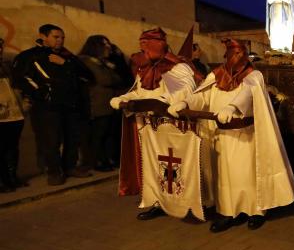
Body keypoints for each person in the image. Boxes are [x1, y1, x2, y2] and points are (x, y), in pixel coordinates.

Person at [169, 40, 294, 232]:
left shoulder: (254, 75)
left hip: (245, 137)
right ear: (226, 56)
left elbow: (246, 93)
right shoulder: (216, 75)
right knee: (225, 177)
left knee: (247, 174)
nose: (236, 58)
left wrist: (232, 106)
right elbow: (202, 96)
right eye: (232, 54)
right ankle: (227, 212)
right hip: (221, 136)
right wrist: (185, 103)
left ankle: (255, 210)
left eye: (240, 54)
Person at [110, 28, 197, 218]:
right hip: (149, 128)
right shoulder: (145, 68)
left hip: (172, 127)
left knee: (178, 167)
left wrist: (162, 101)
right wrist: (123, 97)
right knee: (154, 166)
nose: (143, 50)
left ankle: (185, 203)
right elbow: (139, 91)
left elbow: (186, 91)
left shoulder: (177, 67)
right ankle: (159, 201)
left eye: (146, 45)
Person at [11, 24, 94, 185]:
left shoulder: (67, 56)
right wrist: (43, 93)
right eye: (56, 37)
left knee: (72, 138)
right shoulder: (29, 56)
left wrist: (65, 63)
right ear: (43, 36)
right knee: (51, 140)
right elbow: (21, 79)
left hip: (71, 104)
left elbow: (87, 75)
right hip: (47, 107)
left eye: (62, 37)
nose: (60, 40)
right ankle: (54, 172)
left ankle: (70, 167)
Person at [78, 35, 123, 172]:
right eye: (105, 45)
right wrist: (110, 73)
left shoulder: (101, 62)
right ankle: (97, 161)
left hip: (107, 105)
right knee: (98, 134)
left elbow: (118, 78)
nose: (108, 48)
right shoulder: (86, 62)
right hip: (97, 105)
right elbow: (106, 79)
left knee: (107, 134)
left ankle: (106, 159)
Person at [0, 37, 26, 191]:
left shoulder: (6, 65)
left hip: (14, 112)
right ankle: (4, 181)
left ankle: (12, 177)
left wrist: (23, 105)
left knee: (12, 147)